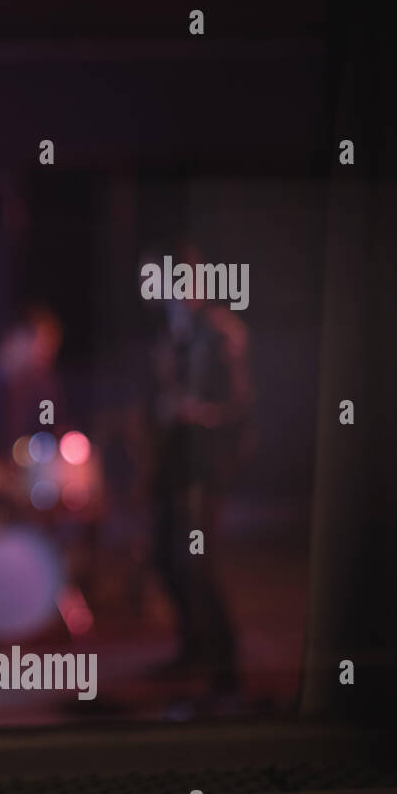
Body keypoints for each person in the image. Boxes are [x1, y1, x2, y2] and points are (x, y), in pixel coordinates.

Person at [144, 244, 253, 696]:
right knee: (166, 558)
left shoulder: (221, 332)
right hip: (175, 467)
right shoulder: (175, 335)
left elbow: (238, 404)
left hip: (206, 467)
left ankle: (224, 657)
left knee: (198, 563)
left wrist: (195, 411)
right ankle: (193, 647)